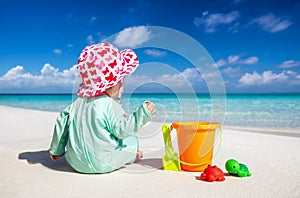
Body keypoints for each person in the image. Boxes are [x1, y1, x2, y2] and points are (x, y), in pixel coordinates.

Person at [49, 42, 156, 174]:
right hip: (102, 163)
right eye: (121, 80)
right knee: (131, 141)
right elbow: (122, 130)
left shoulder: (75, 104)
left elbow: (62, 124)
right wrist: (143, 114)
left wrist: (56, 150)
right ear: (112, 84)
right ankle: (133, 155)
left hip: (75, 162)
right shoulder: (108, 104)